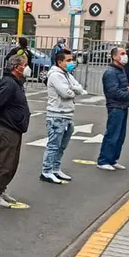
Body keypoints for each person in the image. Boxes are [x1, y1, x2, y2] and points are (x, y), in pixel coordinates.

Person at [0, 55, 31, 209]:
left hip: (15, 127)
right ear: (17, 68)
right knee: (5, 162)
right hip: (7, 127)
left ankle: (1, 189)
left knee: (12, 163)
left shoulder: (16, 82)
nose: (27, 68)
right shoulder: (9, 83)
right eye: (25, 65)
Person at [41, 50, 86, 184]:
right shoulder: (55, 75)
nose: (71, 63)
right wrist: (73, 90)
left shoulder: (66, 74)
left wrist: (72, 89)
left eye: (72, 60)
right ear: (59, 62)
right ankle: (46, 171)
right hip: (57, 115)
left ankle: (55, 169)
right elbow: (66, 93)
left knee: (62, 146)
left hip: (67, 115)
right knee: (53, 146)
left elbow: (80, 88)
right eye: (68, 60)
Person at [98, 47, 129, 171]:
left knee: (120, 136)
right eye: (122, 54)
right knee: (112, 135)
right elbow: (113, 92)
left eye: (125, 53)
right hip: (115, 107)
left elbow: (120, 88)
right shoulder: (111, 73)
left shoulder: (121, 70)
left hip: (123, 106)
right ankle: (103, 160)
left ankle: (112, 159)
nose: (125, 56)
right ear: (114, 56)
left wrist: (128, 89)